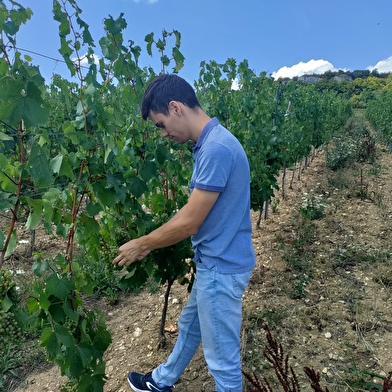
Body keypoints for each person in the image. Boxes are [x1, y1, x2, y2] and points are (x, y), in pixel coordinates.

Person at [113, 73, 255, 392]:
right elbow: (197, 211)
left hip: (222, 269)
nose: (163, 134)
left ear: (176, 108)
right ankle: (161, 382)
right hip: (214, 265)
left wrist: (143, 243)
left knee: (223, 365)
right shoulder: (211, 144)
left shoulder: (216, 149)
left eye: (161, 124)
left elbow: (190, 221)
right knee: (190, 327)